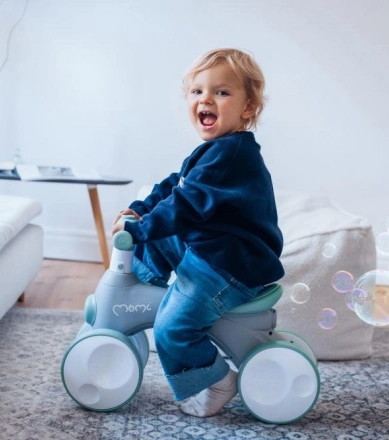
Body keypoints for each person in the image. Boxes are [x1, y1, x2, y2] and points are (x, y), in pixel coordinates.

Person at [111, 48, 284, 418]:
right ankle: (146, 288)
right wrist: (141, 209)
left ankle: (215, 379)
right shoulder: (216, 150)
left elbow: (186, 204)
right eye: (197, 92)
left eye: (221, 92)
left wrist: (140, 229)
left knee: (171, 329)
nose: (206, 99)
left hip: (229, 266)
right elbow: (177, 185)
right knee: (159, 234)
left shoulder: (233, 154)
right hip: (213, 248)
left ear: (248, 108)